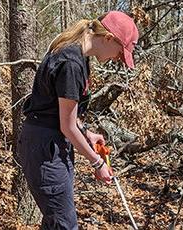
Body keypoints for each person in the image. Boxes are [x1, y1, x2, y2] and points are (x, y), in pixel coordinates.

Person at [17, 11, 139, 230]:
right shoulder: (71, 62)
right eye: (120, 53)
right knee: (65, 225)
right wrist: (97, 162)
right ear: (108, 38)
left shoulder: (79, 56)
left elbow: (64, 114)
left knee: (56, 222)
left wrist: (87, 134)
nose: (117, 59)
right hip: (44, 148)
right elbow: (67, 126)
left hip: (52, 142)